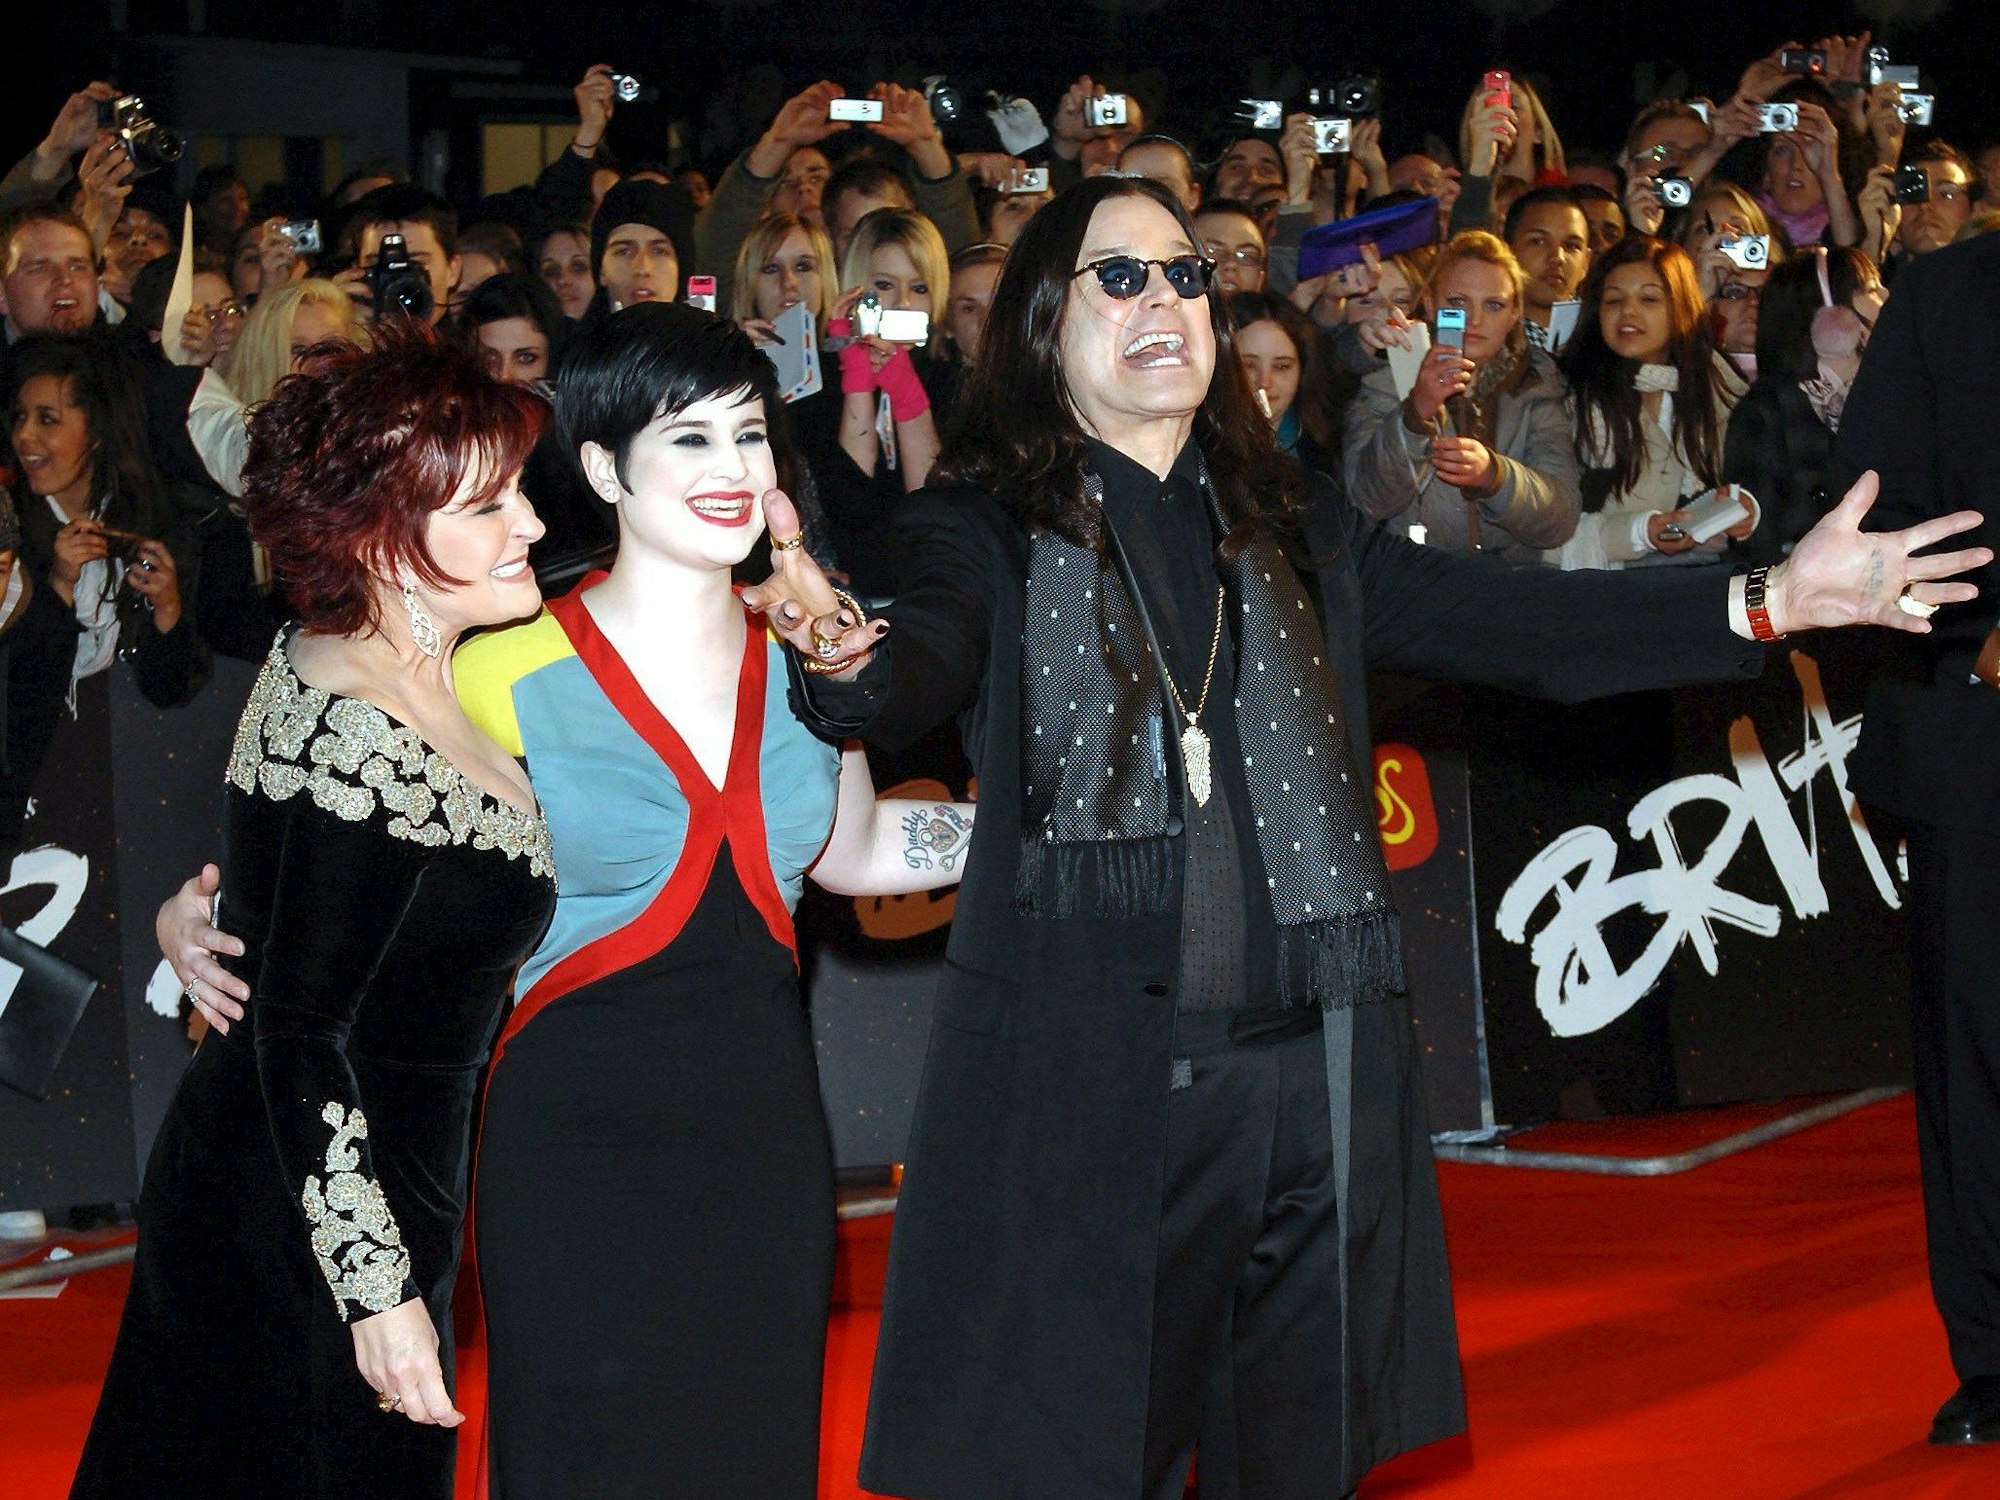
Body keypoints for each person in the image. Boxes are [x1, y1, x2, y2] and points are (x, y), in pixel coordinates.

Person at [737, 173, 1982, 1500]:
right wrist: (839, 646)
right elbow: (910, 661)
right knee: (1085, 1467)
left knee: (1302, 1466)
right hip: (1093, 1101)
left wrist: (1769, 596)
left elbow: (1523, 627)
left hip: (1316, 1089)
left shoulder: (1296, 523)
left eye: (1184, 274)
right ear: (1047, 321)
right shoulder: (977, 527)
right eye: (1120, 276)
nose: (1164, 300)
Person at [169, 302, 979, 1498]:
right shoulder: (492, 660)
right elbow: (334, 844)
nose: (731, 469)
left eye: (748, 435)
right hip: (568, 1150)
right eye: (688, 439)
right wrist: (197, 919)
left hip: (764, 1141)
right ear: (601, 468)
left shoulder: (808, 651)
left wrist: (1036, 841)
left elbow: (854, 851)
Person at [71, 320, 559, 1500]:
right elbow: (301, 1034)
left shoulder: (346, 659)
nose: (532, 525)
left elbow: (289, 905)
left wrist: (195, 922)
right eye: (490, 506)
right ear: (383, 539)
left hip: (327, 1178)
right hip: (312, 1212)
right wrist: (376, 1295)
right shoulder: (359, 727)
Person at [1835, 226, 2000, 1449]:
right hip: (1977, 731)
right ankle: (1993, 1356)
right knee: (1975, 1060)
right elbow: (1874, 512)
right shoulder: (1946, 296)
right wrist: (1976, 637)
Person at [1344, 230, 1579, 563]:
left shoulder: (1537, 386)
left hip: (1510, 585)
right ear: (1430, 304)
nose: (1475, 319)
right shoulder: (1386, 379)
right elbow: (1366, 500)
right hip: (1414, 581)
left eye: (1494, 305)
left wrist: (1495, 477)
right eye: (1458, 303)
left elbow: (1560, 519)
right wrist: (1416, 413)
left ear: (1514, 314)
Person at [8, 332, 204, 706]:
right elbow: (23, 689)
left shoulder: (150, 520)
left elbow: (171, 692)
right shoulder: (11, 530)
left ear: (96, 432)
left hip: (120, 731)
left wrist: (167, 606)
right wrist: (60, 583)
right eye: (20, 417)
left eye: (47, 420)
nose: (24, 435)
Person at [1553, 234, 1753, 570]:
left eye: (1648, 299)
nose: (1628, 312)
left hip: (1699, 579)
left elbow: (1749, 481)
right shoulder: (1565, 391)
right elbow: (1540, 529)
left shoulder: (1716, 382)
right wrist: (1639, 532)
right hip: (1598, 585)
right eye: (1614, 300)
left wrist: (1743, 513)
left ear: (1680, 308)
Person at [1725, 246, 1884, 560]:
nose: (1886, 295)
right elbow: (1757, 547)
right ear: (1832, 319)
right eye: (1870, 288)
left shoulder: (1891, 398)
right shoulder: (1764, 413)